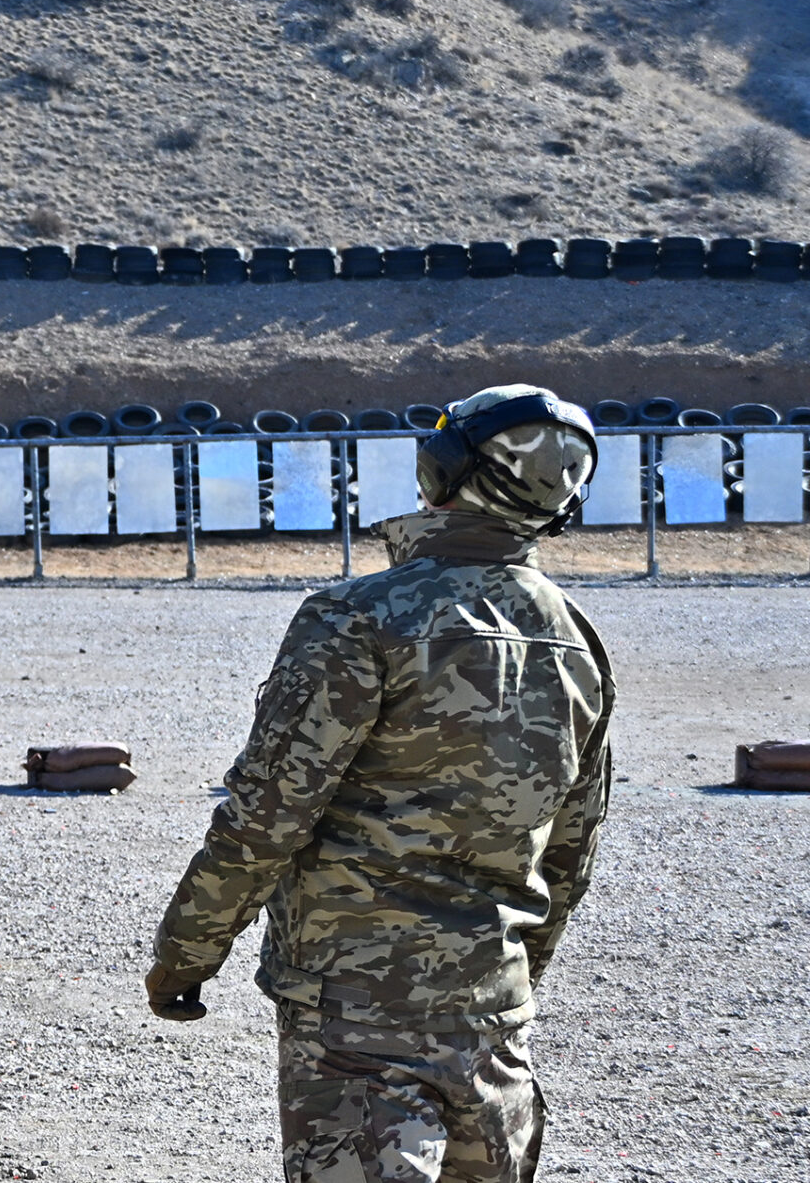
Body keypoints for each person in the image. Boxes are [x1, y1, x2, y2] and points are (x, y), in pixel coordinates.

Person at [147, 385, 617, 1183]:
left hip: (356, 1018)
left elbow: (266, 817)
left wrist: (186, 954)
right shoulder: (576, 639)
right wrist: (504, 979)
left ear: (441, 471)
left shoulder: (359, 617)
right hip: (491, 1020)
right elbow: (571, 851)